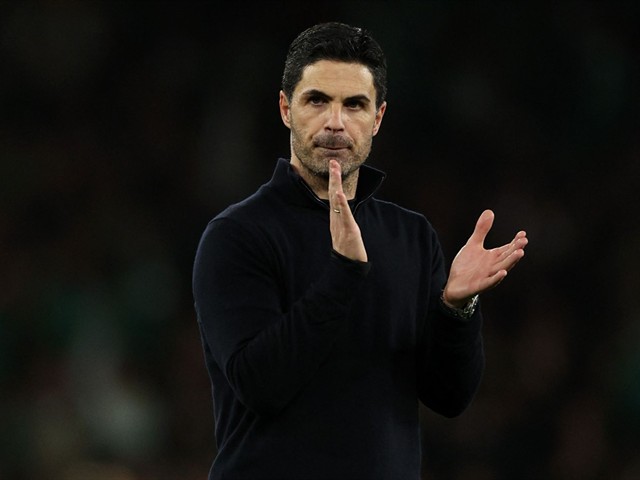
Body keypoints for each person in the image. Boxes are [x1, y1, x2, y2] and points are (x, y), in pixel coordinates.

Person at [192, 21, 528, 480]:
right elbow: (260, 386)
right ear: (286, 108)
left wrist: (456, 309)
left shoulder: (410, 236)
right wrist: (343, 273)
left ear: (378, 117)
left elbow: (449, 398)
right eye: (317, 101)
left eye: (354, 104)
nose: (335, 122)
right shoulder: (237, 235)